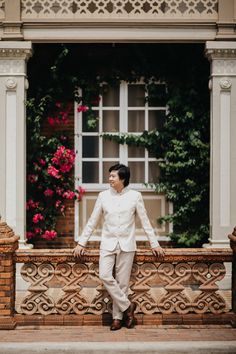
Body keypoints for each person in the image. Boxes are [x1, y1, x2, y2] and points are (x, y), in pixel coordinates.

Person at [73, 163, 165, 331]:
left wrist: (155, 244)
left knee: (122, 284)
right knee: (105, 275)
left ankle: (117, 318)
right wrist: (81, 243)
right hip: (107, 244)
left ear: (122, 178)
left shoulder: (135, 196)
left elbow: (145, 222)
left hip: (127, 245)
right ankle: (128, 307)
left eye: (113, 176)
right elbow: (92, 221)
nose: (109, 179)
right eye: (110, 176)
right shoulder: (103, 196)